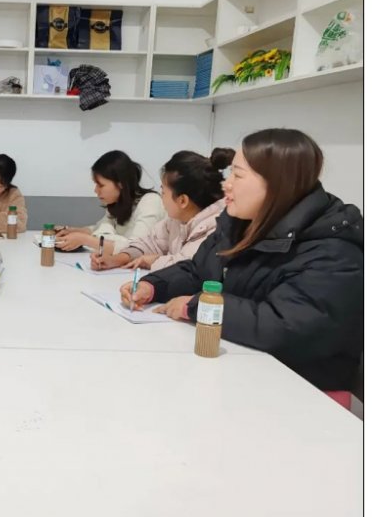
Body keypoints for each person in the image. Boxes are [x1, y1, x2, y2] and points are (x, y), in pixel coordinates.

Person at [121, 129, 363, 391]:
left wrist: (196, 307)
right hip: (237, 370)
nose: (226, 184)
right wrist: (153, 286)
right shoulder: (239, 224)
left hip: (300, 390)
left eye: (237, 175)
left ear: (276, 183)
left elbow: (284, 326)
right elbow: (198, 270)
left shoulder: (332, 250)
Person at [90, 148, 233, 271]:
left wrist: (155, 260)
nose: (161, 197)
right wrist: (117, 259)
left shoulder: (215, 227)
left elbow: (189, 266)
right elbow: (147, 243)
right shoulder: (175, 221)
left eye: (163, 192)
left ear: (182, 201)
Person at [55, 150, 164, 252]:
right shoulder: (116, 203)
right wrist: (74, 231)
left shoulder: (150, 202)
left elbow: (136, 248)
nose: (95, 190)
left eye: (101, 185)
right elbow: (100, 228)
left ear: (120, 184)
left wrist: (85, 239)